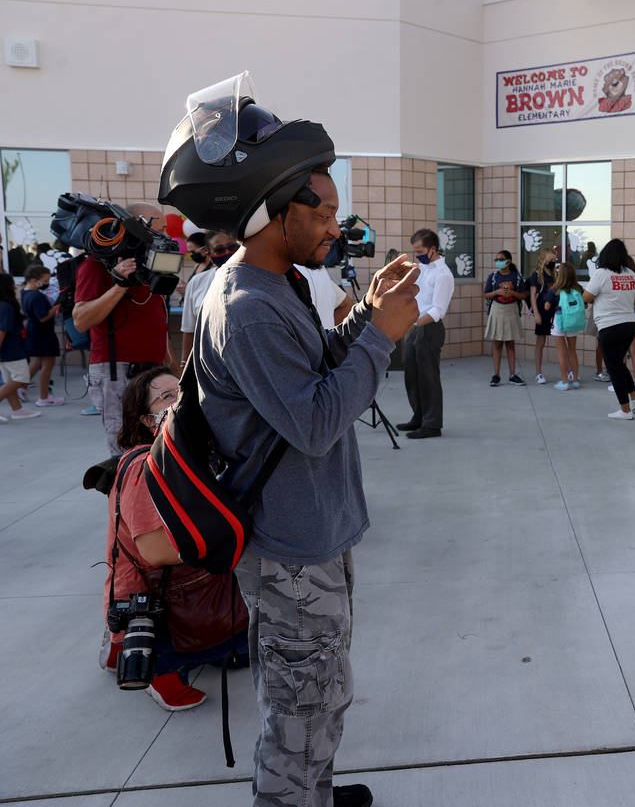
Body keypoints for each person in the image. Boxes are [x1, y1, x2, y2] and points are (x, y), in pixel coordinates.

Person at [159, 83, 419, 807]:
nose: (336, 226)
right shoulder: (244, 305)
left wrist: (364, 314)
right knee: (299, 713)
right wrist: (381, 336)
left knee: (322, 695)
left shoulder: (273, 286)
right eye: (324, 212)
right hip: (290, 553)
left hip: (313, 537)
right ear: (279, 213)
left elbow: (309, 373)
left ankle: (315, 793)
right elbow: (313, 420)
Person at [98, 367, 250, 710]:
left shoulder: (201, 454)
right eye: (167, 397)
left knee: (246, 655)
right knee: (171, 677)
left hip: (204, 589)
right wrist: (231, 536)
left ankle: (127, 646)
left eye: (184, 392)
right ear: (145, 420)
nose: (181, 402)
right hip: (159, 594)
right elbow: (155, 552)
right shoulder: (143, 467)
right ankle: (130, 649)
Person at [72, 202, 171, 454]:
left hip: (154, 369)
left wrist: (171, 362)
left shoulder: (151, 267)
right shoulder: (95, 265)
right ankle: (126, 491)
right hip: (117, 371)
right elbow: (81, 319)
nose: (166, 236)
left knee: (160, 444)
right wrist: (119, 284)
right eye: (159, 229)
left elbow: (156, 316)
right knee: (126, 447)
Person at [397, 228, 454, 439]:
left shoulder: (443, 274)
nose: (417, 255)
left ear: (432, 249)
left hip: (429, 328)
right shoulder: (422, 268)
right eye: (415, 251)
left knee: (428, 377)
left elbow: (438, 310)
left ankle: (432, 424)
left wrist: (415, 322)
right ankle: (418, 417)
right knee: (412, 375)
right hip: (414, 327)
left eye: (420, 250)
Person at [583, 239, 635, 420]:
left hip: (609, 326)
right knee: (618, 362)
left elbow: (587, 296)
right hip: (629, 325)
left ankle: (625, 410)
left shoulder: (602, 274)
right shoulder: (631, 274)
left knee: (614, 368)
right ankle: (634, 398)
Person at [179, 229, 239, 364]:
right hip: (210, 361)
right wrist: (185, 364)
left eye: (231, 247)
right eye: (219, 250)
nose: (227, 253)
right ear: (208, 252)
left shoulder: (254, 276)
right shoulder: (197, 282)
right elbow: (189, 329)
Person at [21, 265, 64, 406]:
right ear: (34, 280)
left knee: (35, 363)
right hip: (43, 333)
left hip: (33, 332)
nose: (47, 283)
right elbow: (43, 317)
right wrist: (58, 306)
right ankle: (44, 397)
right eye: (45, 280)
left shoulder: (24, 292)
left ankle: (21, 388)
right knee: (47, 364)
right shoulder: (37, 296)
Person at [483, 249, 527, 387]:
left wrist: (512, 293)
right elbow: (486, 295)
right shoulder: (493, 276)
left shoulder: (517, 277)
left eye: (501, 259)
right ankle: (496, 375)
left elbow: (523, 295)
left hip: (511, 309)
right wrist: (498, 292)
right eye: (496, 260)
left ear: (508, 261)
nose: (498, 262)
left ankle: (512, 374)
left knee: (510, 343)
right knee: (497, 343)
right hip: (497, 309)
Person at [0, 273, 38, 422]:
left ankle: (18, 410)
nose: (15, 287)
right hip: (12, 350)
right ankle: (18, 410)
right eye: (12, 284)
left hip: (7, 350)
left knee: (10, 380)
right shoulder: (6, 306)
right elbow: (2, 330)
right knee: (21, 378)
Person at [526, 246, 559, 384]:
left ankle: (569, 370)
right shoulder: (536, 275)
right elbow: (533, 296)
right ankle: (538, 373)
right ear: (544, 259)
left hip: (556, 312)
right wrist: (536, 314)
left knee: (561, 341)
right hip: (542, 311)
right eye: (551, 259)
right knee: (541, 342)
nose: (553, 261)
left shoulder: (555, 274)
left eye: (555, 259)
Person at [550, 260, 583, 389]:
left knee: (561, 351)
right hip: (573, 322)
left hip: (559, 322)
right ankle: (575, 380)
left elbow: (547, 306)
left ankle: (564, 381)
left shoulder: (555, 289)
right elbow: (584, 302)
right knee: (572, 351)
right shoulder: (578, 288)